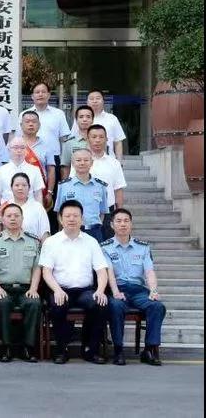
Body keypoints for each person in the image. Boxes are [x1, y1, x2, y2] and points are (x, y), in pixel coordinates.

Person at [39, 200, 110, 364]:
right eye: (68, 216)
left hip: (85, 290)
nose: (72, 219)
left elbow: (101, 270)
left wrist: (100, 290)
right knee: (58, 305)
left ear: (82, 219)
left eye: (75, 216)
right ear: (60, 218)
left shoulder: (91, 242)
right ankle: (61, 349)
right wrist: (57, 290)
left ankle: (90, 349)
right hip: (60, 289)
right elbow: (46, 272)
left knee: (99, 304)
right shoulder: (51, 242)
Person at [103, 208, 166, 366]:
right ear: (112, 225)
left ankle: (149, 350)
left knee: (157, 306)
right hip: (118, 289)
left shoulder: (143, 247)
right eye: (119, 221)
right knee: (116, 306)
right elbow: (108, 272)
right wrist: (115, 292)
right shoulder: (105, 247)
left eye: (126, 221)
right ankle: (118, 350)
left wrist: (153, 291)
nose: (123, 224)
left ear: (131, 224)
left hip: (138, 291)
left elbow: (149, 271)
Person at [0, 203, 42, 363]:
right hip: (3, 288)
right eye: (9, 216)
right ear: (3, 219)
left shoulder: (33, 241)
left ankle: (28, 348)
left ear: (22, 218)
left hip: (26, 288)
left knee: (34, 303)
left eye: (16, 216)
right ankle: (6, 347)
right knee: (2, 303)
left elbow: (37, 268)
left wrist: (34, 288)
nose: (13, 219)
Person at [55, 148, 108, 242]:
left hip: (94, 232)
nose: (82, 163)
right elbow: (59, 212)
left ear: (91, 163)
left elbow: (102, 212)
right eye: (78, 160)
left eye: (86, 160)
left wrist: (94, 226)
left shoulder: (100, 186)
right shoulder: (64, 186)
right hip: (71, 231)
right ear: (72, 163)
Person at [83, 125, 126, 238]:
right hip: (86, 211)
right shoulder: (80, 162)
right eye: (94, 137)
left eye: (101, 137)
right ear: (88, 139)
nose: (97, 140)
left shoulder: (114, 163)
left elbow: (118, 189)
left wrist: (119, 213)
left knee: (108, 244)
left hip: (108, 211)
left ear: (107, 139)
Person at [17, 82, 70, 165]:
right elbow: (19, 137)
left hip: (54, 158)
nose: (40, 94)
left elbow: (64, 139)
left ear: (48, 95)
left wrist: (64, 162)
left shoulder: (58, 114)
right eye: (37, 92)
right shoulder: (24, 115)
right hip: (29, 157)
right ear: (32, 96)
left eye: (43, 92)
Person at [72, 90, 125, 160]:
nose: (95, 101)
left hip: (108, 161)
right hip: (85, 162)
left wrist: (119, 162)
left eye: (98, 98)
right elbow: (73, 140)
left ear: (103, 101)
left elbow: (118, 142)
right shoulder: (80, 119)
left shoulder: (112, 119)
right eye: (91, 99)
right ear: (87, 102)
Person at [18, 110, 56, 208]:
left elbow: (51, 170)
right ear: (21, 125)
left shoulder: (47, 146)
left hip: (40, 191)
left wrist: (49, 192)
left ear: (39, 125)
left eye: (34, 122)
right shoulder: (14, 144)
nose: (31, 124)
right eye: (27, 122)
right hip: (18, 190)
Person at [0, 137, 45, 205]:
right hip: (7, 209)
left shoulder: (35, 170)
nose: (19, 151)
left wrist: (39, 210)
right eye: (15, 148)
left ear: (26, 150)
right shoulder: (0, 171)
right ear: (9, 149)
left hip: (29, 208)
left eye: (22, 148)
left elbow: (38, 195)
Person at [8, 173, 50, 242]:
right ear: (11, 187)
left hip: (33, 247)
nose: (20, 188)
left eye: (24, 185)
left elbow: (45, 233)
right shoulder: (5, 206)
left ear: (29, 187)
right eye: (17, 185)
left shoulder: (38, 207)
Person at [60, 105, 93, 179]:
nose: (84, 119)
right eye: (81, 117)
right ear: (76, 120)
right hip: (75, 182)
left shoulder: (99, 141)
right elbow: (65, 167)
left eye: (88, 117)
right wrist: (65, 184)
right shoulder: (69, 143)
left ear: (92, 120)